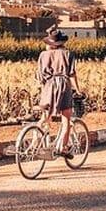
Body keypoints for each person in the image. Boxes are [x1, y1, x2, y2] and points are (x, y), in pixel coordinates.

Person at [37, 28, 80, 159]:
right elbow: (72, 74)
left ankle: (37, 137)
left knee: (46, 115)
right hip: (63, 85)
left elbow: (40, 77)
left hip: (48, 86)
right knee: (66, 117)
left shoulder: (43, 55)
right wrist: (78, 90)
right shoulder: (68, 54)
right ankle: (64, 148)